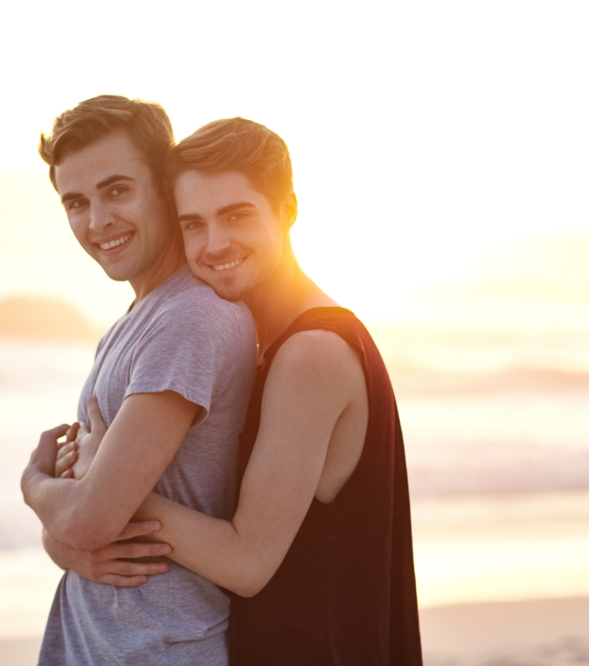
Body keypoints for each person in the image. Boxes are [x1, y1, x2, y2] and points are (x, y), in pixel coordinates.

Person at [55, 118, 423, 664]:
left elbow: (248, 564)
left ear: (287, 210)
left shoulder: (311, 353)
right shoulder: (262, 338)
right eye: (193, 223)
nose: (214, 244)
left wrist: (102, 481)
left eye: (236, 215)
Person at [20, 96, 257, 665]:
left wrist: (31, 485)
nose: (97, 221)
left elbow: (90, 518)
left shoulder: (190, 319)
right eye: (77, 202)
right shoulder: (139, 320)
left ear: (166, 189)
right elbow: (82, 520)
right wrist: (64, 540)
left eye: (117, 190)